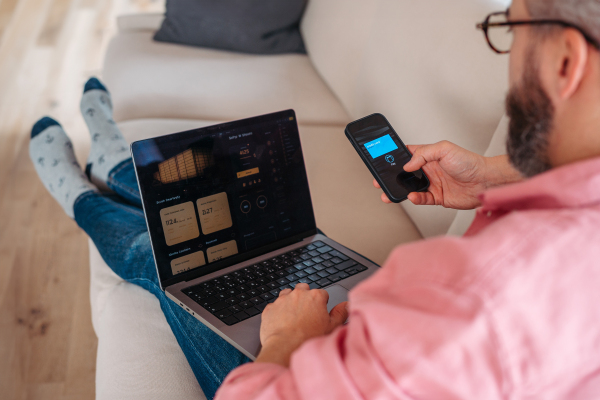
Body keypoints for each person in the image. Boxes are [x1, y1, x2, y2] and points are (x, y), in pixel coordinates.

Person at [29, 0, 600, 397]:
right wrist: (490, 178)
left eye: (513, 31)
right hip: (379, 344)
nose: (510, 54)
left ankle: (79, 191)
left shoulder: (473, 299)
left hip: (323, 365)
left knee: (174, 266)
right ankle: (113, 164)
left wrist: (284, 341)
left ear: (565, 62)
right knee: (208, 241)